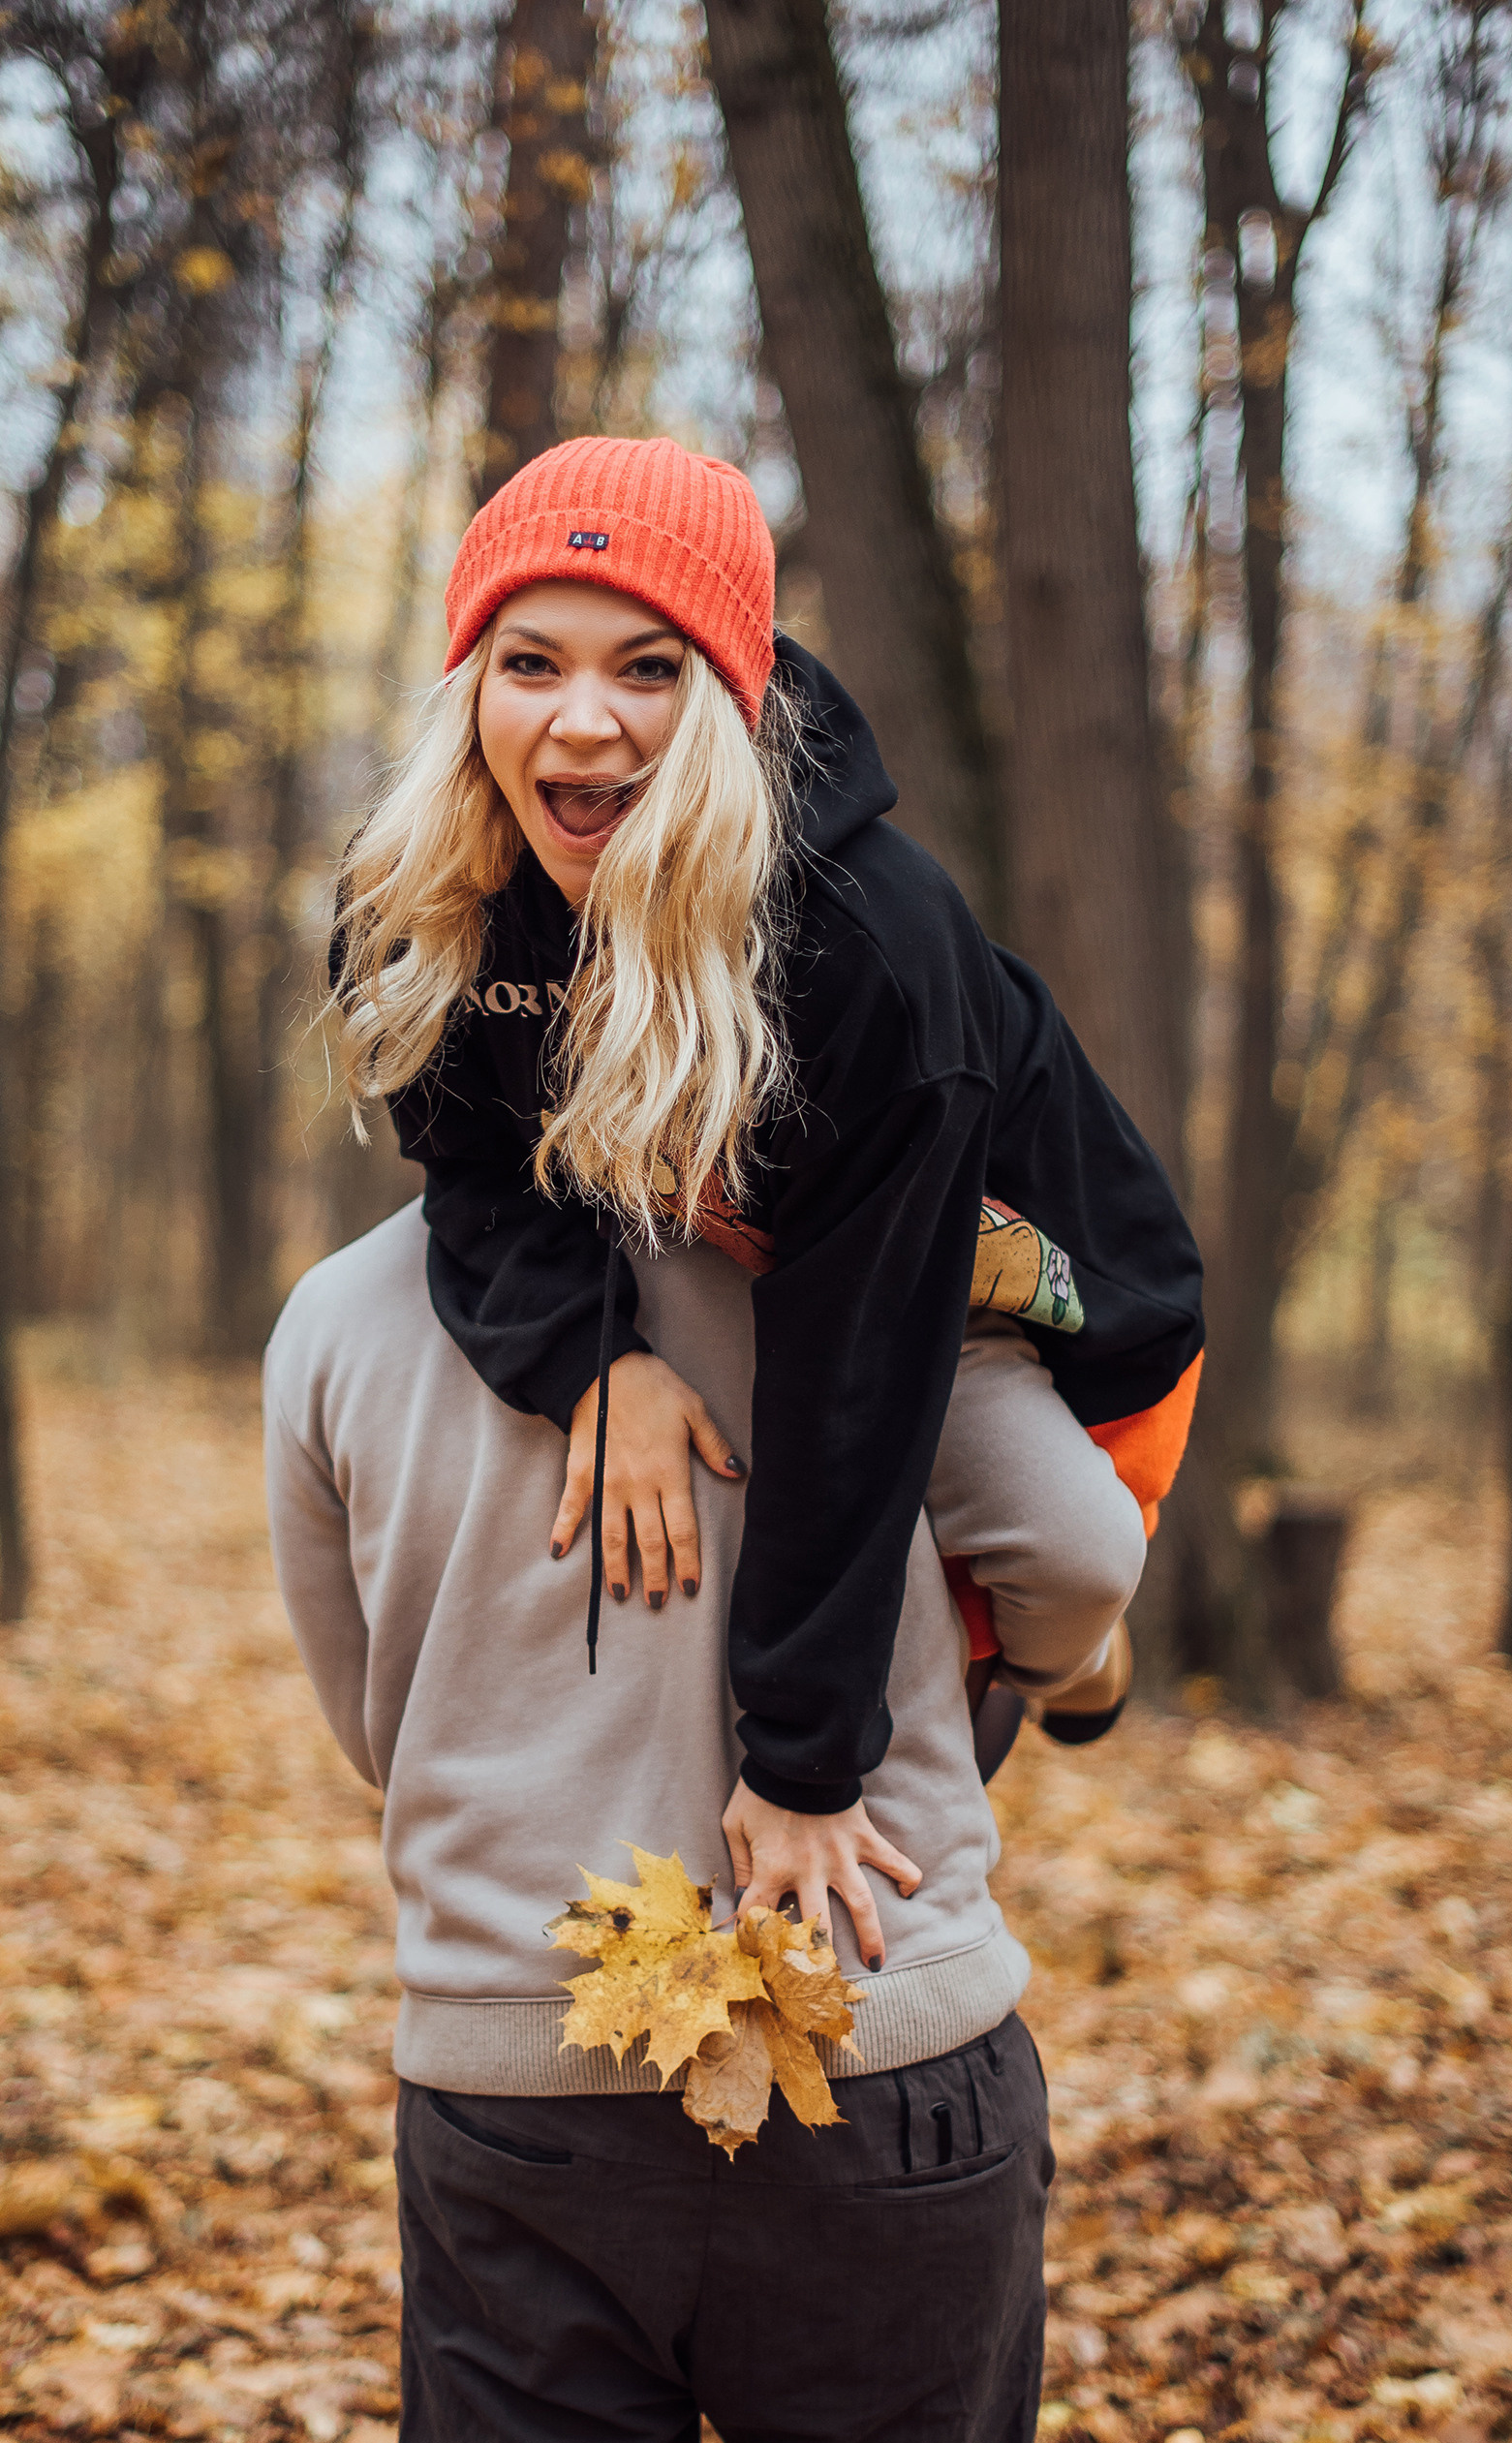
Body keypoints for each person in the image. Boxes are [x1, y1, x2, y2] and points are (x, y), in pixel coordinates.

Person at [262, 1203, 1145, 2443]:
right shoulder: (869, 1240)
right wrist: (1013, 1681)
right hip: (879, 2053)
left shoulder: (342, 1314)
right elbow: (1079, 1557)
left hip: (520, 2069)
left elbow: (371, 1712)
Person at [331, 434, 1202, 1962]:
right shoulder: (425, 892)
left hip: (979, 1285)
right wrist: (595, 1367)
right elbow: (468, 1168)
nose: (584, 722)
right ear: (470, 677)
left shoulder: (868, 949)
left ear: (727, 690)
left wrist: (803, 1768)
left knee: (1067, 1560)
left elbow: (857, 1379)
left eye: (647, 669)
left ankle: (1064, 1667)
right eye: (531, 661)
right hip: (723, 1238)